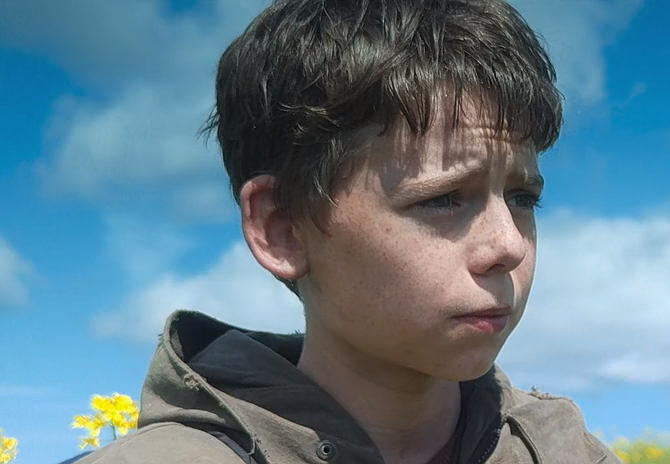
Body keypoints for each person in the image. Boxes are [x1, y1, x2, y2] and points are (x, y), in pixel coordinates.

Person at [79, 0, 623, 462]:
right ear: (282, 228)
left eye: (523, 198)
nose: (508, 245)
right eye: (442, 199)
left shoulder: (567, 453)